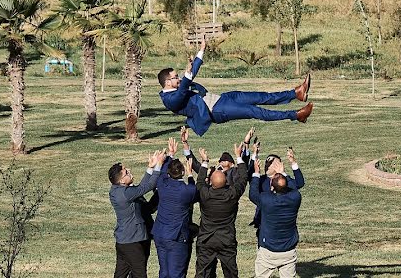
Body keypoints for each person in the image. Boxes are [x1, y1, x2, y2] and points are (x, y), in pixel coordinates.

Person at [159, 37, 313, 136]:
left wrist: (202, 50)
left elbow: (190, 75)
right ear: (167, 82)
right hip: (216, 110)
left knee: (260, 96)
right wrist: (186, 76)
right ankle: (296, 115)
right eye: (175, 78)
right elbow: (183, 90)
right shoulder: (169, 100)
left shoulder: (178, 86)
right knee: (255, 111)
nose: (178, 79)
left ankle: (296, 93)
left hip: (221, 98)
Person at [193, 143, 249, 278]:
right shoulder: (232, 194)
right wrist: (238, 157)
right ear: (226, 183)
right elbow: (242, 179)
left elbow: (200, 182)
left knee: (202, 273)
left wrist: (205, 162)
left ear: (211, 182)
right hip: (226, 239)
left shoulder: (205, 194)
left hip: (206, 240)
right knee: (230, 273)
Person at [109, 149, 167, 278]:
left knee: (121, 273)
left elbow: (140, 188)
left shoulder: (115, 190)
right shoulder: (126, 193)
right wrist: (159, 165)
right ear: (122, 181)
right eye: (126, 173)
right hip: (133, 242)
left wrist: (149, 168)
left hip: (123, 241)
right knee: (139, 273)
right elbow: (149, 186)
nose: (129, 172)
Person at [248, 159, 303, 278]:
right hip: (288, 250)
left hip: (268, 249)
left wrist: (256, 173)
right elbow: (295, 186)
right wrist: (283, 174)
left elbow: (253, 194)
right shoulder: (295, 197)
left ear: (271, 187)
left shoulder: (266, 199)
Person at [152, 139, 198, 278]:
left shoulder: (162, 184)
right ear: (183, 172)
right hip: (176, 237)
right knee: (176, 273)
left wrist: (171, 154)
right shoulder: (186, 191)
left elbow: (161, 172)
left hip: (160, 234)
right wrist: (191, 175)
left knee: (164, 272)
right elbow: (194, 189)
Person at [249, 147, 304, 241]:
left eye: (271, 163)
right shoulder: (261, 180)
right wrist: (254, 155)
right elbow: (251, 176)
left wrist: (293, 163)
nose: (267, 164)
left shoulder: (284, 181)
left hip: (283, 222)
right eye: (267, 162)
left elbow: (299, 183)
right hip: (264, 223)